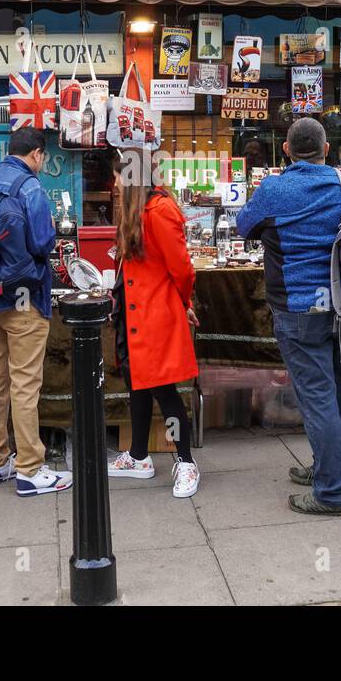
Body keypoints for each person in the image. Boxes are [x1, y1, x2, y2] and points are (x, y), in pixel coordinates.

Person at [235, 117, 341, 515]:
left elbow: (242, 225)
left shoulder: (274, 189)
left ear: (286, 150)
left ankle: (332, 492)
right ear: (326, 150)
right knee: (338, 395)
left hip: (300, 309)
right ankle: (328, 470)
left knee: (318, 399)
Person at [0, 127, 73, 497]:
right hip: (25, 297)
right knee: (25, 383)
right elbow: (43, 242)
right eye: (44, 157)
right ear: (37, 154)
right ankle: (30, 468)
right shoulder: (30, 188)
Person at [106, 150, 200, 497]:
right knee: (139, 386)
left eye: (117, 175)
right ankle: (139, 457)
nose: (114, 182)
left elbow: (182, 270)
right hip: (134, 315)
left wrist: (183, 303)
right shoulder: (139, 211)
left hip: (153, 315)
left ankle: (186, 462)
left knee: (163, 389)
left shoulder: (160, 211)